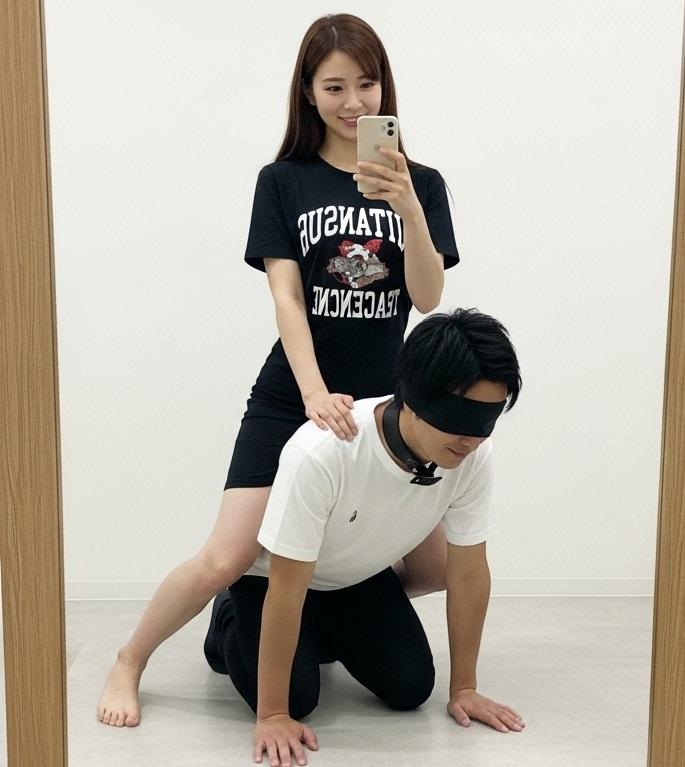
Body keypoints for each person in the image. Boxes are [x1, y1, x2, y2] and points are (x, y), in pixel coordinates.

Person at [97, 13, 459, 727]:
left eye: (365, 84)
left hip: (385, 404)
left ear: (383, 87)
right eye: (334, 86)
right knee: (226, 557)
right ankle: (133, 658)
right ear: (308, 92)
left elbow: (426, 296)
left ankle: (322, 598)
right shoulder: (283, 181)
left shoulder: (422, 183)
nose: (352, 102)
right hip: (294, 394)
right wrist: (314, 392)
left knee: (434, 566)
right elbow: (287, 299)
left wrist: (409, 208)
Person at [203, 309, 524, 767]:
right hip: (271, 581)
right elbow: (287, 586)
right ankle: (228, 618)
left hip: (352, 578)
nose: (471, 440)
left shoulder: (471, 454)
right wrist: (273, 715)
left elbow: (469, 571)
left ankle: (317, 631)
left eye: (485, 421)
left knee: (410, 687)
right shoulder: (323, 450)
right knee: (297, 699)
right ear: (415, 396)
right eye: (459, 418)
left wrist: (465, 688)